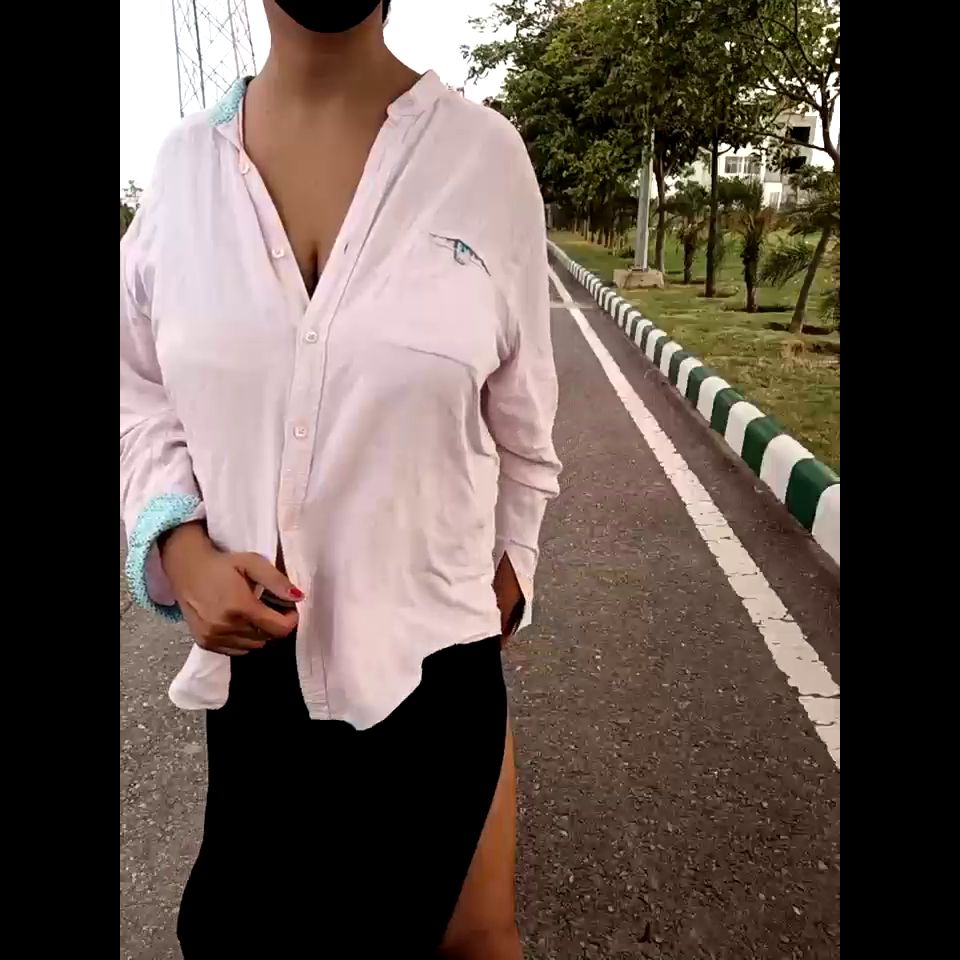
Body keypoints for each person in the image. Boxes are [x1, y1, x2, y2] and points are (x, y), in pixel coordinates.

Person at [119, 0, 560, 956]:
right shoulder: (184, 172)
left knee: (461, 938)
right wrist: (179, 548)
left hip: (435, 684)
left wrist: (508, 577)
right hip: (254, 691)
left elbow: (527, 433)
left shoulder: (484, 160)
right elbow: (136, 390)